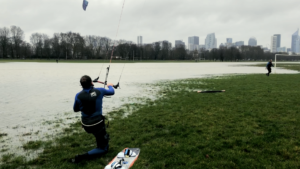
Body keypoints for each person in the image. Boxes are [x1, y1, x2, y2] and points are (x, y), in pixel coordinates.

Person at [72, 75, 115, 163]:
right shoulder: (100, 90)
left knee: (99, 136)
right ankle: (81, 157)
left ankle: (100, 140)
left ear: (81, 85)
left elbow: (75, 109)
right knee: (104, 149)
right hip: (97, 124)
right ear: (92, 82)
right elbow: (111, 92)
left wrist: (86, 105)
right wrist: (110, 85)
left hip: (86, 125)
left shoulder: (78, 95)